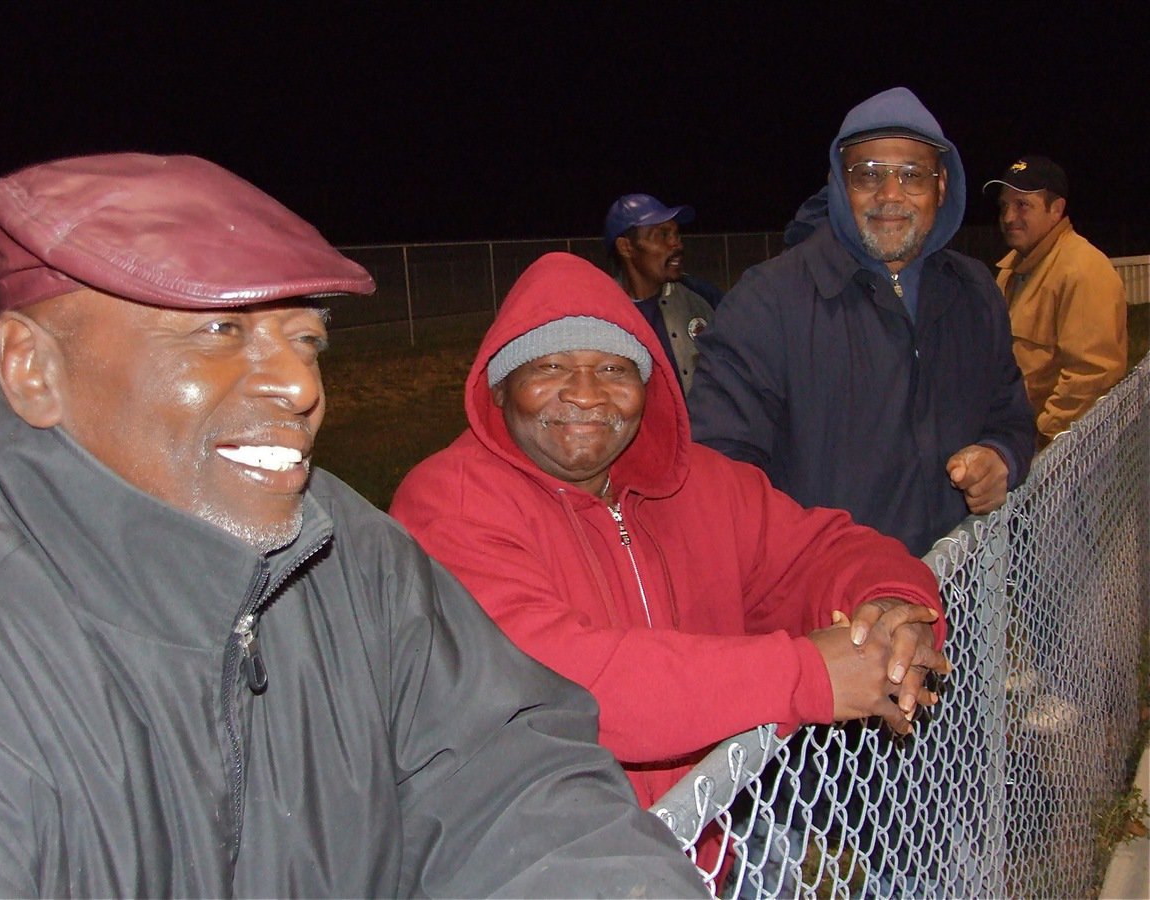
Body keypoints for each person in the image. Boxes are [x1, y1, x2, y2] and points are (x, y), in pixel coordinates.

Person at [0, 154, 709, 898]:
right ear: (32, 368)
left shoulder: (345, 547)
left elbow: (506, 773)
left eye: (307, 339)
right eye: (220, 331)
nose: (301, 384)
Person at [390, 251, 950, 824]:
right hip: (543, 860)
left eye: (614, 369)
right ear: (501, 389)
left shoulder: (699, 483)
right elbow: (561, 683)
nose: (586, 393)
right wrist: (806, 675)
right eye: (550, 367)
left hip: (710, 835)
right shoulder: (449, 503)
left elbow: (820, 550)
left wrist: (890, 607)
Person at [688, 87, 1036, 557]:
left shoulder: (974, 290)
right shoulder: (767, 301)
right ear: (839, 183)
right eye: (867, 174)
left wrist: (1003, 458)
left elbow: (1011, 415)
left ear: (940, 186)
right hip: (837, 613)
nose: (890, 194)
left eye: (912, 174)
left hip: (963, 588)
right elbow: (719, 468)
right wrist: (826, 571)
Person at [985, 155, 1128, 448]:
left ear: (1056, 209)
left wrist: (1042, 442)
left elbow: (1092, 376)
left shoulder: (1083, 270)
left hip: (1061, 461)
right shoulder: (1011, 272)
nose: (1009, 217)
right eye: (1004, 206)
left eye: (1023, 205)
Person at [604, 193, 718, 395]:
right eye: (663, 235)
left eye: (677, 235)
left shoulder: (701, 297)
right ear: (626, 247)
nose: (677, 244)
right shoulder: (601, 313)